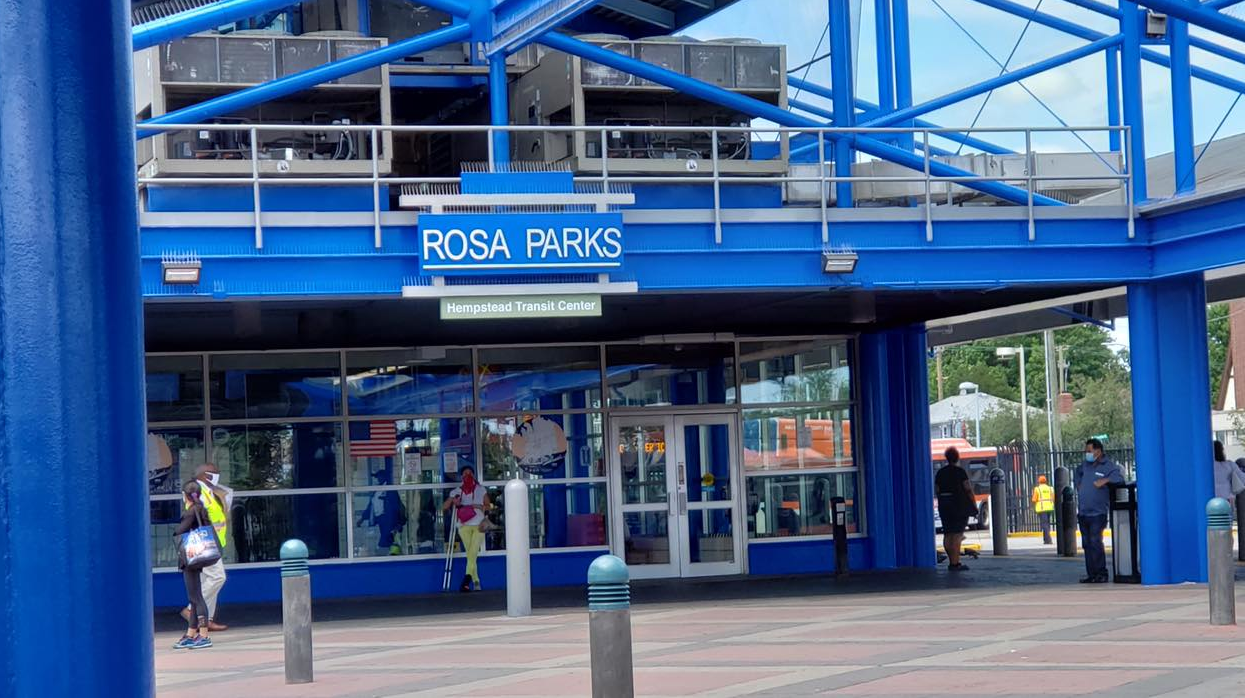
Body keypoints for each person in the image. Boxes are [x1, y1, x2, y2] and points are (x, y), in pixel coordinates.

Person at [180, 463, 231, 630]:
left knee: (205, 581)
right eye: (214, 473)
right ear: (205, 475)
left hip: (211, 543)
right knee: (218, 577)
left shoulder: (209, 492)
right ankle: (191, 610)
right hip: (205, 544)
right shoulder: (197, 490)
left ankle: (205, 619)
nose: (217, 476)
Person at [1075, 438, 1125, 583]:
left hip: (1098, 513)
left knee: (1095, 541)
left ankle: (1101, 573)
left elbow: (1119, 478)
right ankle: (1091, 574)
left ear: (1098, 451)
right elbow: (1077, 474)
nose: (1087, 454)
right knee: (1087, 544)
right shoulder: (1085, 466)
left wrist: (1105, 480)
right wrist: (1079, 485)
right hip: (1084, 512)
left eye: (1089, 451)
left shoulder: (1107, 466)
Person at [173, 481, 214, 650]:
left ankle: (204, 634)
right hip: (198, 557)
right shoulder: (201, 509)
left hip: (191, 558)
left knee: (196, 597)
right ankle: (191, 633)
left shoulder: (191, 512)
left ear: (185, 496)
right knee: (194, 596)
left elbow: (179, 532)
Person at [442, 466, 491, 592]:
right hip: (463, 526)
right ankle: (476, 581)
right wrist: (454, 501)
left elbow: (489, 506)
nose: (468, 475)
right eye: (465, 473)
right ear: (461, 476)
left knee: (473, 552)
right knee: (471, 554)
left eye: (470, 473)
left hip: (479, 525)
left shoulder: (481, 489)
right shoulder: (457, 491)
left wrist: (479, 506)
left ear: (474, 475)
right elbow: (444, 507)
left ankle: (466, 579)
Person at [934, 446, 975, 571]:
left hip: (944, 505)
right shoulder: (960, 472)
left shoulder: (940, 473)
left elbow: (937, 490)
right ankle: (955, 563)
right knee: (957, 535)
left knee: (948, 534)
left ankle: (952, 560)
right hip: (958, 505)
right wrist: (973, 504)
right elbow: (967, 489)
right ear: (957, 457)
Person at [1212, 441, 1245, 508]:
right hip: (1228, 498)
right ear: (1222, 450)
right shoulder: (1230, 464)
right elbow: (1243, 479)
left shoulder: (1207, 466)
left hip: (1212, 499)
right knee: (1227, 517)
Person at [1031, 475, 1056, 545]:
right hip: (1050, 508)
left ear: (1039, 481)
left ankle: (1048, 539)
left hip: (1041, 508)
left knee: (1044, 524)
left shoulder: (1037, 489)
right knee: (1047, 524)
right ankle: (1046, 540)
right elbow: (1053, 498)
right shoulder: (1050, 488)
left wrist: (1033, 505)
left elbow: (1034, 499)